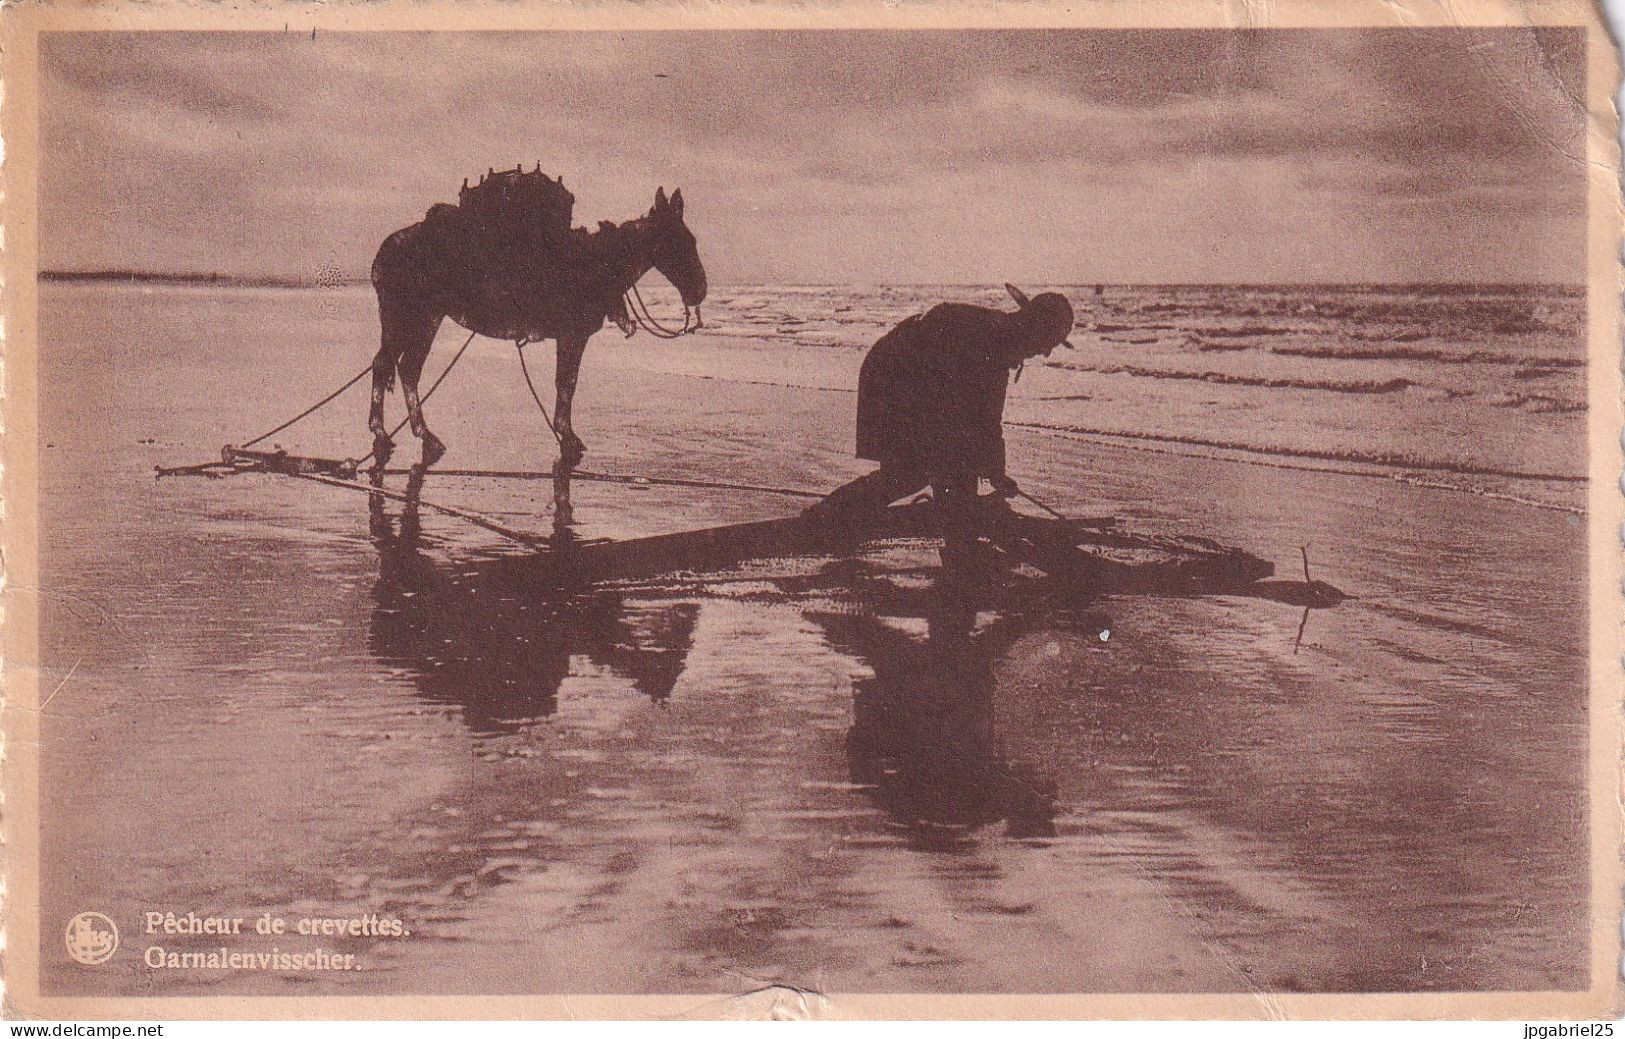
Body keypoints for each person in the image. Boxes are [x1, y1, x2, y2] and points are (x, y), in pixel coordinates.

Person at [806, 285, 1075, 557]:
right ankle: (825, 519)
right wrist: (991, 472)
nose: (1047, 353)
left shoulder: (1001, 338)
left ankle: (958, 540)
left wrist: (992, 471)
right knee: (912, 471)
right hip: (892, 372)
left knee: (944, 466)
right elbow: (974, 420)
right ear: (1035, 327)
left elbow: (980, 420)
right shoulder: (992, 340)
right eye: (1050, 342)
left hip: (911, 376)